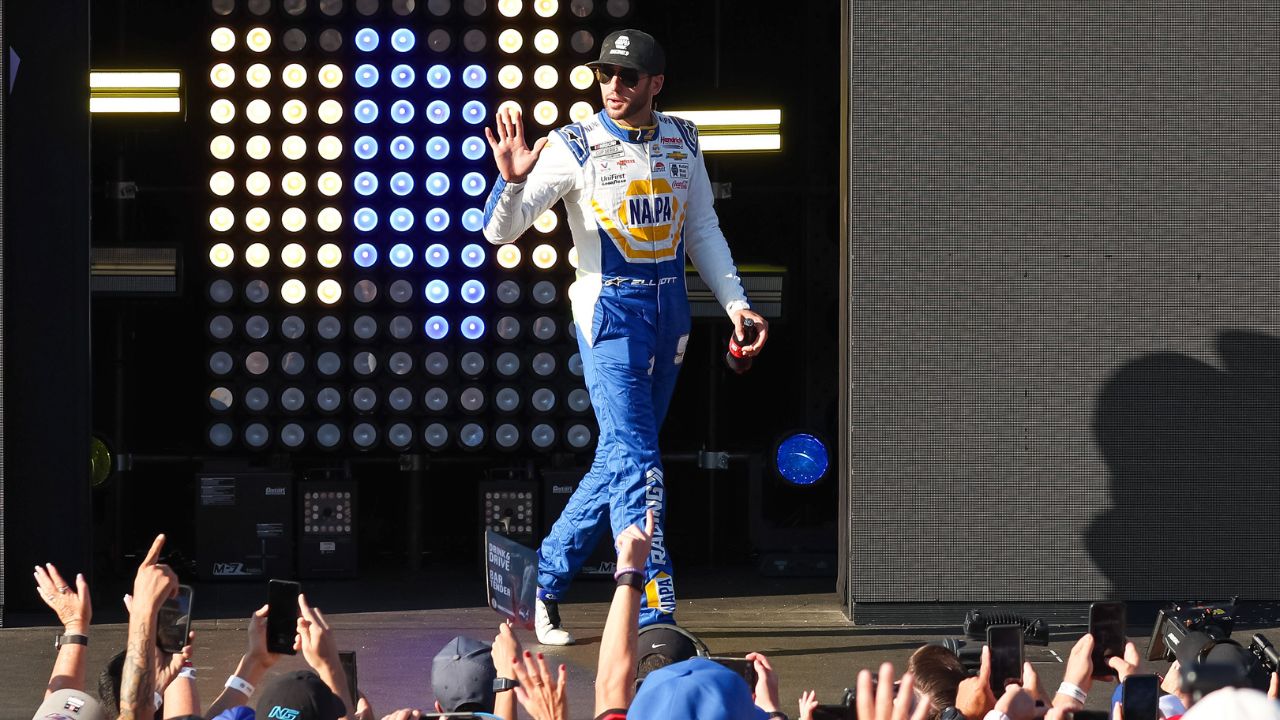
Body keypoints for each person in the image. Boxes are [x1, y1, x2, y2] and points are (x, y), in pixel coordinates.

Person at [482, 27, 769, 646]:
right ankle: (654, 609)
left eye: (627, 77)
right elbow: (501, 233)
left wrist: (737, 302)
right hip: (608, 310)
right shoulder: (573, 143)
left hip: (669, 312)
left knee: (618, 459)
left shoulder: (683, 137)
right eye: (604, 75)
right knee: (639, 461)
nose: (613, 86)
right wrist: (509, 179)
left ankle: (544, 585)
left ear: (655, 84)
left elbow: (703, 231)